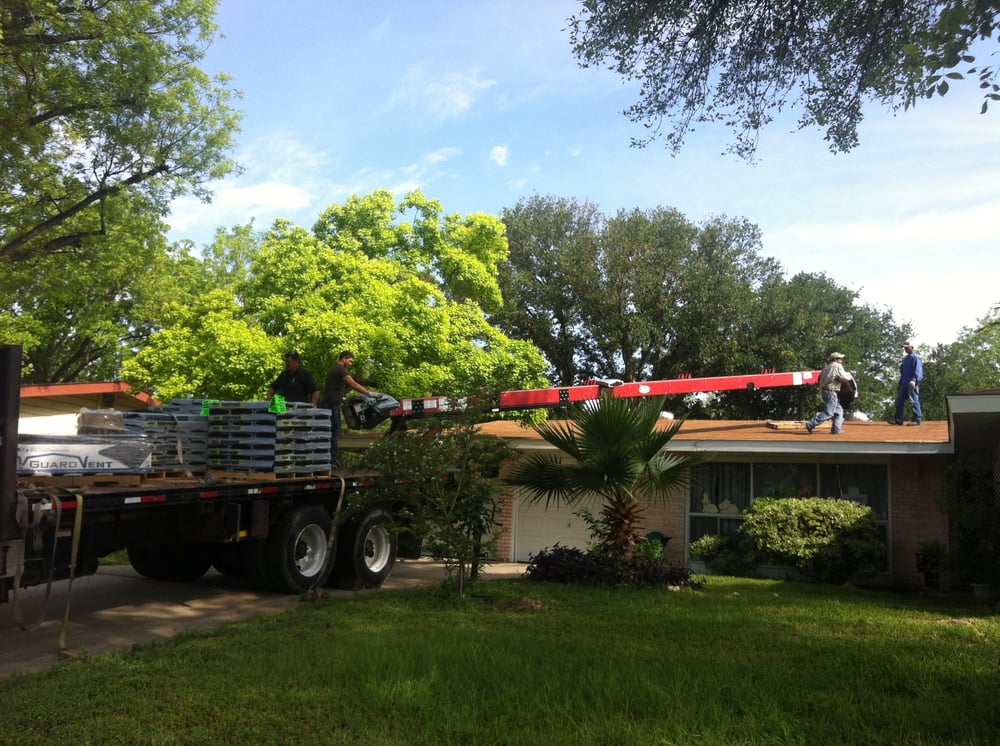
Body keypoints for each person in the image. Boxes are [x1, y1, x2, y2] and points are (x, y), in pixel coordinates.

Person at [320, 350, 372, 468]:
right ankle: (331, 461)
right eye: (350, 361)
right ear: (344, 358)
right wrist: (369, 393)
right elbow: (353, 384)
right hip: (332, 405)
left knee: (328, 432)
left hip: (328, 403)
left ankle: (327, 459)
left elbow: (346, 386)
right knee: (335, 432)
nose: (351, 363)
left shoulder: (333, 369)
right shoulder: (340, 369)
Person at [805, 352, 855, 435]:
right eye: (840, 358)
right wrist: (849, 375)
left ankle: (836, 429)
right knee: (829, 412)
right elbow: (844, 378)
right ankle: (811, 424)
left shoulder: (826, 368)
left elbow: (819, 378)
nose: (841, 360)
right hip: (831, 392)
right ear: (836, 359)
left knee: (839, 410)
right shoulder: (837, 366)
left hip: (825, 391)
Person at [890, 341, 923, 425]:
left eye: (907, 347)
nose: (905, 349)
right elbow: (903, 372)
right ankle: (899, 419)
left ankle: (917, 419)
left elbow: (918, 371)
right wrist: (900, 383)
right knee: (899, 400)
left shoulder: (916, 358)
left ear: (912, 347)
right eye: (904, 347)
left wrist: (914, 380)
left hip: (912, 383)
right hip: (904, 383)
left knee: (914, 401)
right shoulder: (905, 359)